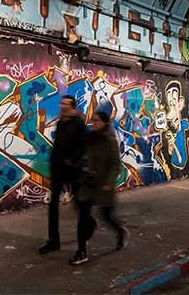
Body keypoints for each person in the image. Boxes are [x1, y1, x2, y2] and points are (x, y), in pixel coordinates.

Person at [71, 111, 129, 265]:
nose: (93, 123)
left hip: (103, 185)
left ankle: (120, 232)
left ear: (104, 122)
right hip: (87, 184)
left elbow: (115, 164)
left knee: (107, 217)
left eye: (96, 121)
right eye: (92, 121)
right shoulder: (90, 138)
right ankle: (81, 252)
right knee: (83, 217)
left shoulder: (109, 140)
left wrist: (109, 182)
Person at [39, 95, 88, 255]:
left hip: (73, 169)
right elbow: (58, 145)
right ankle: (53, 241)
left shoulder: (79, 123)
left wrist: (72, 160)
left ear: (73, 106)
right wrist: (54, 164)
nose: (63, 106)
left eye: (66, 104)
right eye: (62, 103)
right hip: (58, 169)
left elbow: (84, 146)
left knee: (79, 205)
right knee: (53, 206)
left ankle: (90, 224)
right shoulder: (61, 122)